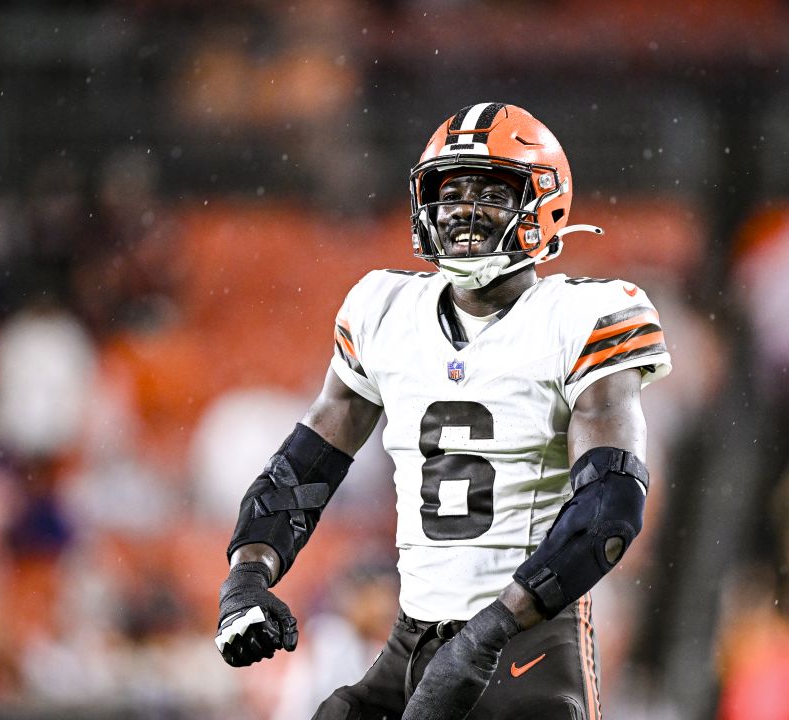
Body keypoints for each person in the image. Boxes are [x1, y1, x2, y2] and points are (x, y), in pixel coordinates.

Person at [215, 102, 672, 719]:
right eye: (450, 190)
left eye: (490, 190)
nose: (463, 208)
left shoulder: (581, 318)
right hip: (415, 638)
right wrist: (248, 573)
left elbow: (610, 511)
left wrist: (489, 631)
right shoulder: (384, 309)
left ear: (543, 202)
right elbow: (303, 469)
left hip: (527, 638)